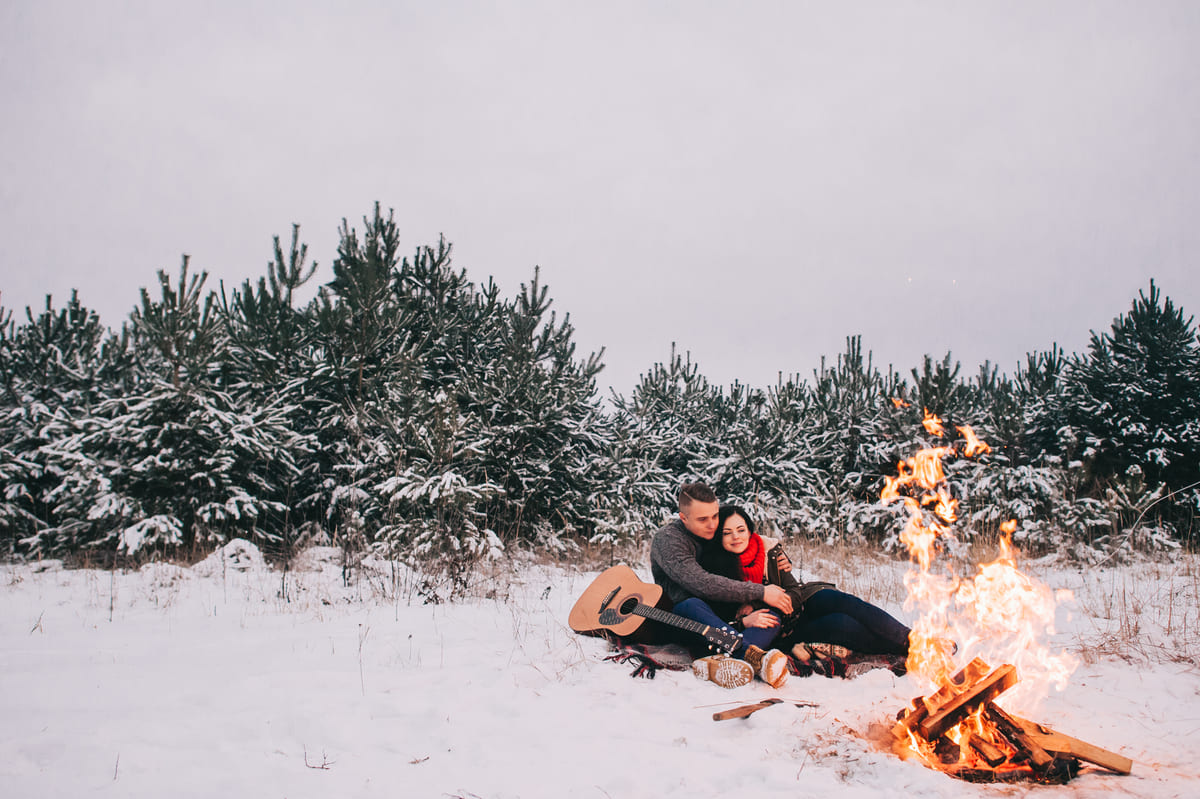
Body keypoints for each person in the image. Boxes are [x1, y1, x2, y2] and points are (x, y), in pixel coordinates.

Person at [703, 504, 913, 660]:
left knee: (836, 599)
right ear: (718, 537)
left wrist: (781, 600)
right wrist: (744, 621)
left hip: (798, 604)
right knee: (841, 624)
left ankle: (912, 640)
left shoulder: (768, 550)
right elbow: (716, 617)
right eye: (727, 533)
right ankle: (903, 649)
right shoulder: (715, 570)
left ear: (749, 529)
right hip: (783, 630)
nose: (736, 537)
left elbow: (793, 588)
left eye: (741, 530)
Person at [649, 483, 792, 688]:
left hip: (728, 615)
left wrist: (777, 555)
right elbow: (701, 583)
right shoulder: (669, 539)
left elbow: (745, 535)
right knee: (691, 604)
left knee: (770, 616)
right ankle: (751, 657)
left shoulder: (713, 530)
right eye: (703, 519)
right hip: (689, 620)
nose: (712, 524)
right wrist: (758, 593)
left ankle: (724, 662)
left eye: (715, 516)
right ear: (683, 518)